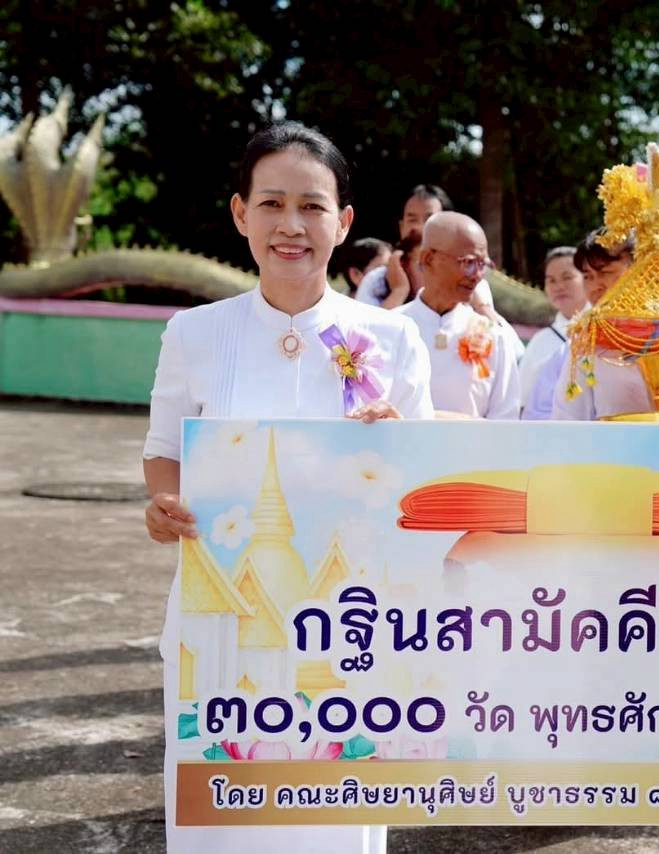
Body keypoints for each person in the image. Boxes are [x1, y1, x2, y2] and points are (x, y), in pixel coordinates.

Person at [143, 122, 434, 853]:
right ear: (240, 214)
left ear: (343, 222)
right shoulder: (194, 333)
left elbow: (429, 476)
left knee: (333, 815)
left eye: (311, 206)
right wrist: (166, 507)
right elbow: (163, 453)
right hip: (227, 617)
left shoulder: (393, 339)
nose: (291, 225)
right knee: (221, 813)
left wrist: (398, 441)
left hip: (351, 623)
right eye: (271, 204)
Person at [397, 211, 520, 418]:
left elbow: (506, 421)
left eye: (483, 265)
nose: (477, 276)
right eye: (468, 262)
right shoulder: (391, 328)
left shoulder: (495, 336)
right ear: (428, 259)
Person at [550, 228, 653, 421]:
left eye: (605, 272)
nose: (595, 286)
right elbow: (567, 419)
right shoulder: (586, 341)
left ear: (640, 270)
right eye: (588, 276)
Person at [521, 246, 586, 419]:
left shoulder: (603, 330)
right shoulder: (540, 341)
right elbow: (522, 399)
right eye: (551, 280)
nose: (559, 286)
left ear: (587, 278)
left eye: (567, 277)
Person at [353, 230, 423, 308]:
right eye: (421, 266)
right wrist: (400, 291)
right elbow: (370, 320)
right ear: (403, 264)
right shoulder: (376, 279)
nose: (430, 272)